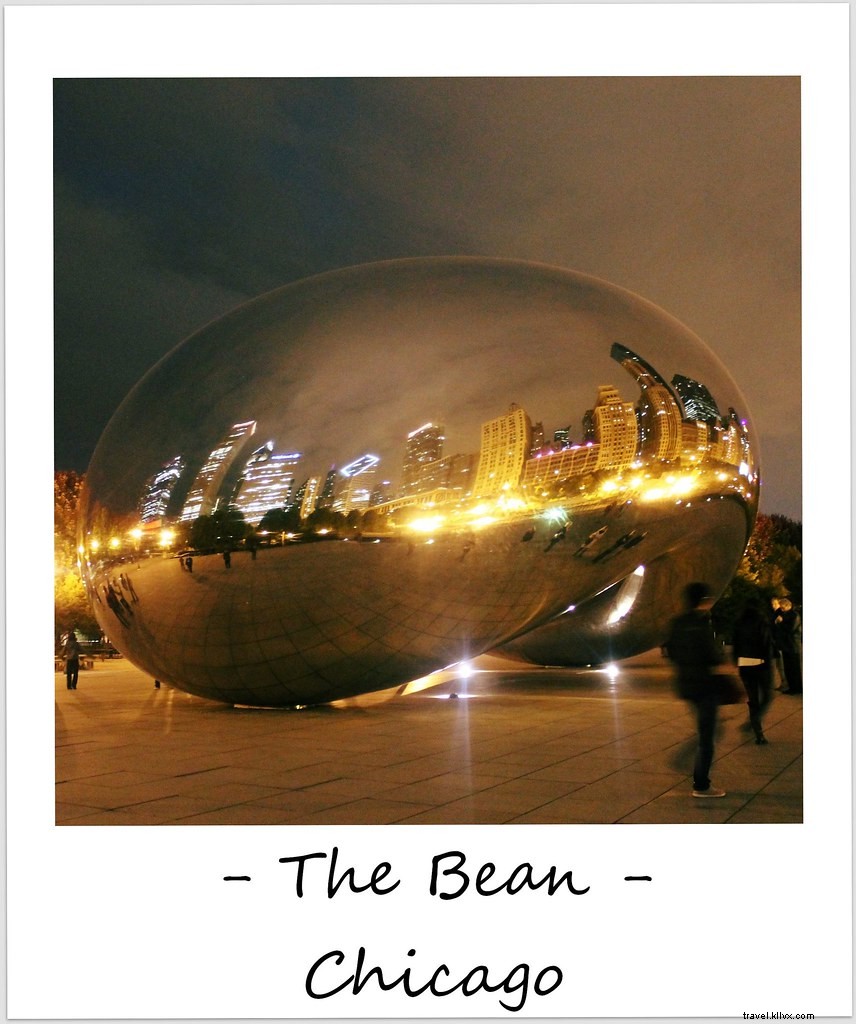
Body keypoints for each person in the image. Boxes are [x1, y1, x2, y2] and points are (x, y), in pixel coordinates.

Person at [664, 581, 727, 798]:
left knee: (708, 729)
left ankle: (687, 762)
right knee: (709, 734)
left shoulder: (677, 623)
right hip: (704, 685)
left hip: (685, 684)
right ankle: (701, 784)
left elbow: (670, 652)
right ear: (703, 601)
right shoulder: (701, 624)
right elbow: (712, 656)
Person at [732, 597, 774, 744]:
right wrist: (769, 662)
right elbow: (766, 642)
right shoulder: (761, 620)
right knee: (767, 696)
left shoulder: (739, 621)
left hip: (744, 664)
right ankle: (753, 723)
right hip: (760, 663)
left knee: (753, 699)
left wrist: (735, 660)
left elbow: (735, 642)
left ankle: (758, 733)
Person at [774, 598, 802, 695]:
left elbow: (790, 629)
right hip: (787, 645)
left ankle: (796, 688)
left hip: (792, 645)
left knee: (794, 668)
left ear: (787, 606)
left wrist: (780, 623)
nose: (781, 609)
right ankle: (792, 687)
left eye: (782, 607)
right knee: (788, 668)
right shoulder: (785, 614)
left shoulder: (794, 615)